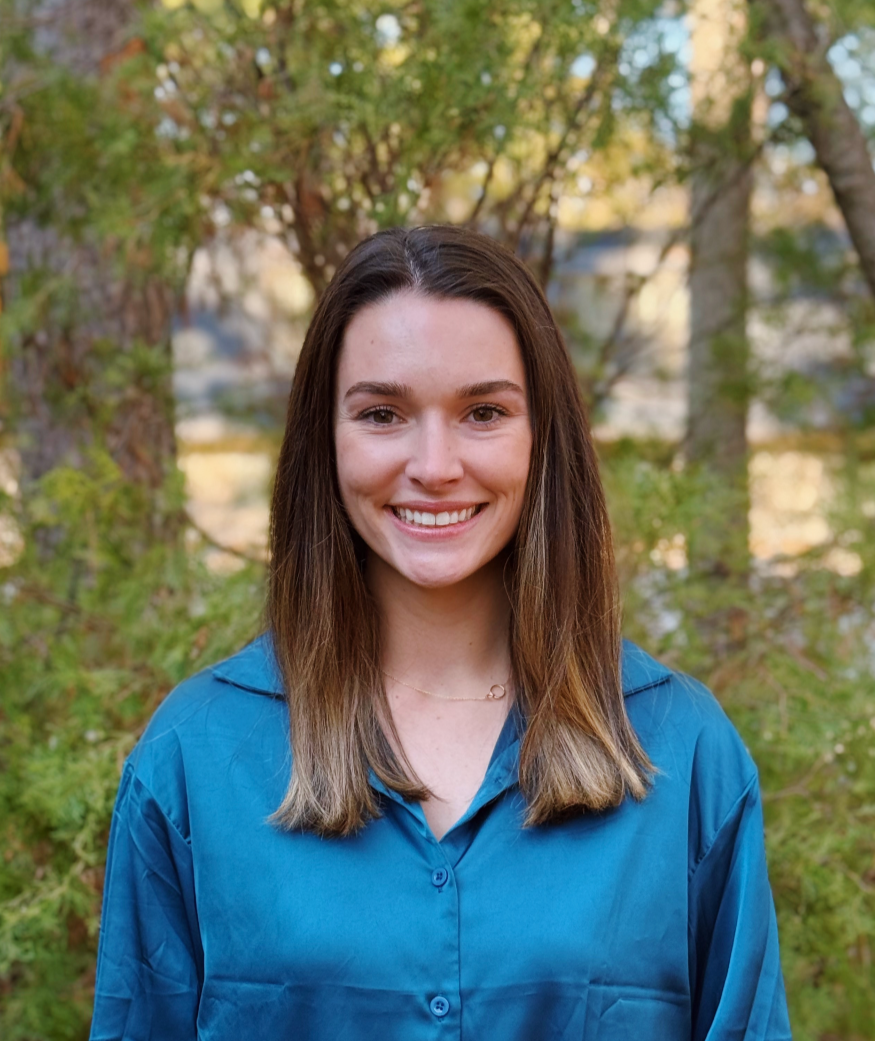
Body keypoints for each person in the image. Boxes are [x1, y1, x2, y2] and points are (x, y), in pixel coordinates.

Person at [89, 225, 792, 1040]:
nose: (434, 464)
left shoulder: (683, 755)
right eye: (383, 413)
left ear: (541, 437)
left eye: (483, 412)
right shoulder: (193, 759)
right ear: (328, 439)